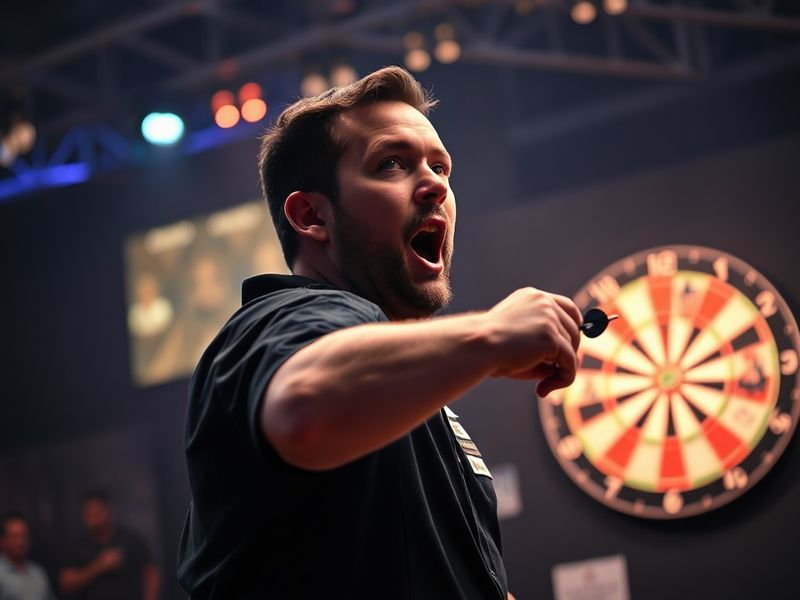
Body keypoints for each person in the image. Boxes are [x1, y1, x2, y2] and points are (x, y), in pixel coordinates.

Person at [177, 66, 582, 598]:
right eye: (391, 163)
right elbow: (302, 407)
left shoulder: (403, 387)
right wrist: (491, 335)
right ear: (311, 216)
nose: (436, 183)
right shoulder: (283, 319)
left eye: (441, 166)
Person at [58, 492, 160, 600]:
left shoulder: (130, 539)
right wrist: (99, 566)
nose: (93, 517)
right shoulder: (76, 545)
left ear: (109, 510)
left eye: (97, 512)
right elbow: (66, 583)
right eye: (88, 513)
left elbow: (151, 572)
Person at [0, 514, 56, 600]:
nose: (20, 542)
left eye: (24, 536)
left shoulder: (38, 572)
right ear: (2, 541)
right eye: (14, 537)